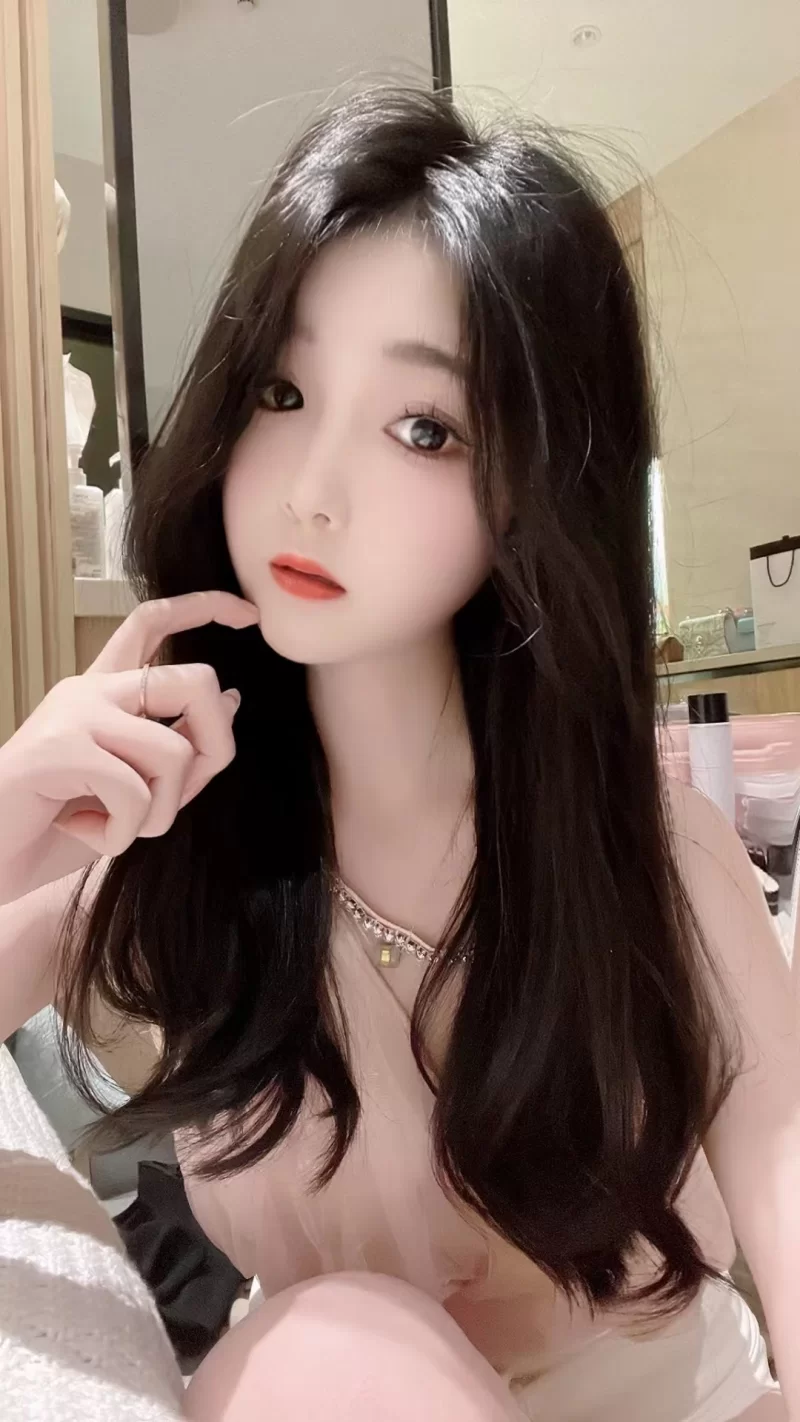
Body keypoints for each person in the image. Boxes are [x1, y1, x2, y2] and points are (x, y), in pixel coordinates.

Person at [0, 86, 796, 1421]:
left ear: (535, 484)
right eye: (283, 390)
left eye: (424, 426)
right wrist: (11, 806)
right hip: (333, 1395)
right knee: (335, 1342)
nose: (312, 487)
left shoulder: (650, 863)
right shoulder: (173, 840)